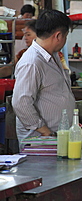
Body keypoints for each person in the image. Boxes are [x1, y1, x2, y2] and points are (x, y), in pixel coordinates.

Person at [12, 10, 75, 145]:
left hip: (57, 137)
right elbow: (21, 103)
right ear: (58, 36)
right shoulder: (32, 62)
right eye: (65, 36)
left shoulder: (53, 56)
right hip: (40, 141)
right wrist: (45, 131)